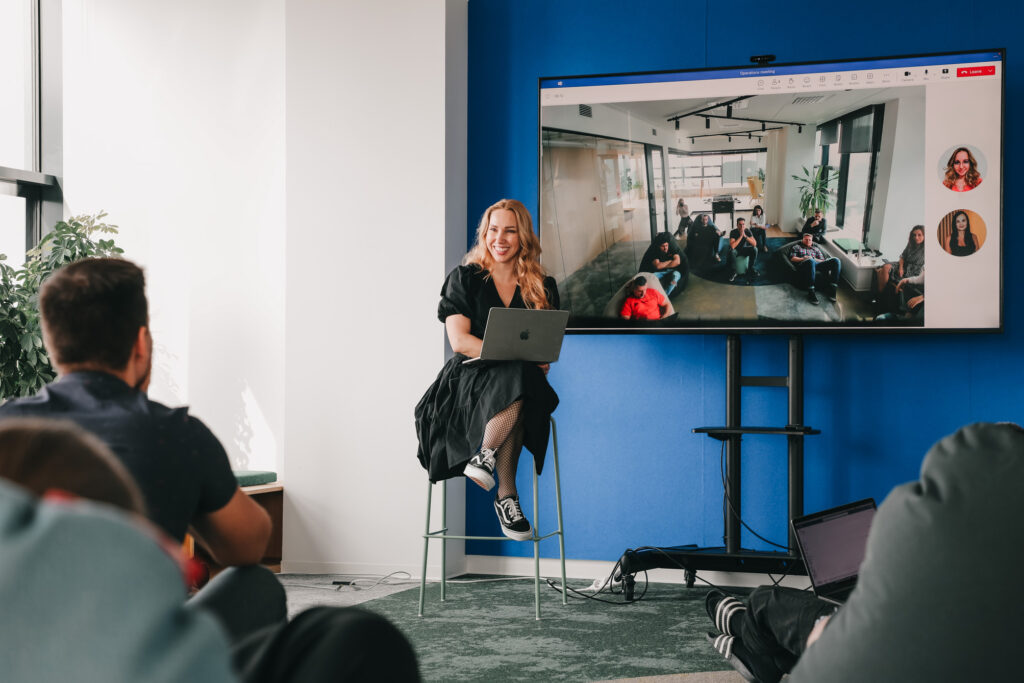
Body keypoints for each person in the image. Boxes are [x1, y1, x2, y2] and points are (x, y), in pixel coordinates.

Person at [0, 418, 420, 683]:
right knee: (350, 635)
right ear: (140, 347)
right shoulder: (171, 431)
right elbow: (248, 544)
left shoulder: (17, 417)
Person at [0, 258, 272, 569]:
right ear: (141, 343)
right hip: (143, 615)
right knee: (259, 585)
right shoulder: (178, 434)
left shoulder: (7, 425)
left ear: (51, 344)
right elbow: (248, 547)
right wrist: (189, 490)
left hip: (18, 615)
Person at [704, 421, 1024, 683]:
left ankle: (749, 636)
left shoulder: (915, 517)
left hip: (898, 651)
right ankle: (759, 647)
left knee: (765, 601)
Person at [415, 199, 559, 541]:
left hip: (515, 382)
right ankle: (506, 495)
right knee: (520, 375)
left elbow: (543, 347)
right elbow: (460, 341)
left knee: (521, 378)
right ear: (484, 234)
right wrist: (518, 356)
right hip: (468, 379)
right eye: (494, 230)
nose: (501, 238)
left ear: (523, 237)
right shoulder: (464, 279)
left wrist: (538, 358)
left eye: (510, 230)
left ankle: (486, 456)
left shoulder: (541, 285)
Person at [874, 226, 925, 311]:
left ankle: (879, 299)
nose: (916, 237)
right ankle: (880, 297)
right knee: (884, 268)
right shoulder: (911, 244)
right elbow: (902, 257)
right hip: (903, 265)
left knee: (882, 271)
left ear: (924, 236)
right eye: (914, 235)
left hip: (914, 271)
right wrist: (901, 268)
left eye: (919, 235)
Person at [790, 232, 840, 305]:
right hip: (804, 264)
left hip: (817, 264)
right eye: (806, 239)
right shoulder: (797, 247)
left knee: (836, 260)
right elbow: (792, 258)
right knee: (810, 261)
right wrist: (803, 258)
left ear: (812, 241)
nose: (808, 241)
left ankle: (833, 288)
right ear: (802, 240)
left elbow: (822, 260)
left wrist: (813, 258)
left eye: (809, 240)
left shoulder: (815, 248)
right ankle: (811, 291)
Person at [638, 232, 688, 296]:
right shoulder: (655, 251)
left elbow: (677, 262)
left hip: (673, 271)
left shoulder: (672, 248)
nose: (665, 248)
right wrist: (670, 261)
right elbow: (658, 266)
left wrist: (663, 264)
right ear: (659, 246)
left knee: (675, 278)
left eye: (666, 245)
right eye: (663, 246)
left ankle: (665, 296)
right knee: (650, 277)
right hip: (660, 272)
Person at [727, 218, 760, 284]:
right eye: (740, 224)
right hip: (736, 250)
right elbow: (733, 246)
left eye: (743, 224)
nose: (742, 226)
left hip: (744, 249)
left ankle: (751, 268)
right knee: (732, 251)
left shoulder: (747, 231)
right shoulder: (733, 232)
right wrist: (741, 236)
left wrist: (745, 236)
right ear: (737, 225)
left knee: (755, 249)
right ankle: (734, 271)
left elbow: (754, 244)